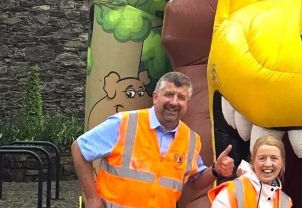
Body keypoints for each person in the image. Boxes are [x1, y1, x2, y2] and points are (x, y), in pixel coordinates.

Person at [71, 71, 235, 208]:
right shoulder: (124, 123)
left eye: (181, 97)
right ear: (155, 97)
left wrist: (215, 170)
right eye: (169, 94)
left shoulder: (191, 140)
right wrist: (92, 198)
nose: (174, 102)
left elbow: (195, 181)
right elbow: (79, 148)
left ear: (187, 103)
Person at [209, 134, 292, 207]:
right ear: (253, 161)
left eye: (274, 158)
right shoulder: (232, 191)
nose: (268, 164)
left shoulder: (285, 202)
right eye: (262, 158)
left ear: (282, 163)